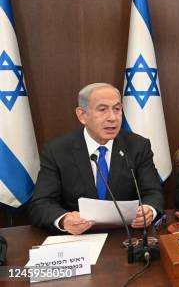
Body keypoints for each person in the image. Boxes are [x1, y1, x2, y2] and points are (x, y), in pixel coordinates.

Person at [29, 83, 164, 234]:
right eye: (102, 109)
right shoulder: (57, 151)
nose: (112, 118)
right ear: (82, 115)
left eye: (117, 109)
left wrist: (148, 209)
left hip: (125, 236)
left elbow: (153, 192)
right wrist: (64, 219)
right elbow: (41, 203)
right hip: (79, 238)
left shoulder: (138, 146)